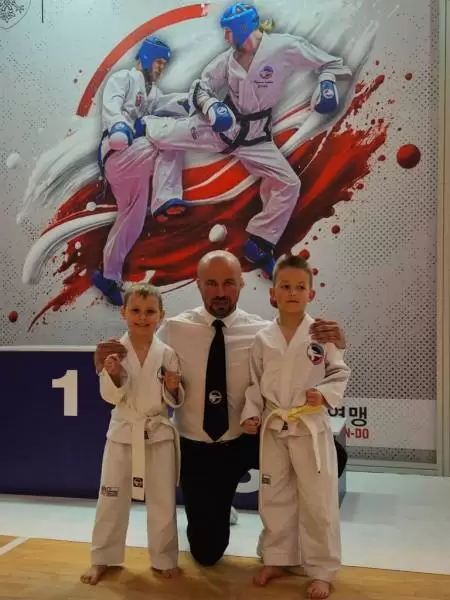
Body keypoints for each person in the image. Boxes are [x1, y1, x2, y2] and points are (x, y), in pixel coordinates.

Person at [94, 250, 347, 568]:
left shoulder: (260, 330)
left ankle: (290, 543)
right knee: (206, 554)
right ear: (198, 284)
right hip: (198, 448)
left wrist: (337, 341)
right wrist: (107, 363)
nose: (220, 291)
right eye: (211, 283)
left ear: (241, 284)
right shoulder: (173, 328)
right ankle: (219, 503)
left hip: (247, 438)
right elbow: (136, 349)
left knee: (333, 456)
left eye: (228, 283)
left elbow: (298, 349)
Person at [140, 3, 352, 278]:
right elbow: (200, 87)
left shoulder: (284, 47)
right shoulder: (227, 60)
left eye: (228, 31)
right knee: (162, 134)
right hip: (220, 128)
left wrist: (326, 82)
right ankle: (141, 124)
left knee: (288, 183)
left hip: (255, 138)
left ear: (242, 28)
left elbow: (330, 63)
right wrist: (212, 107)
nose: (225, 36)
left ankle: (260, 243)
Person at [241, 254, 350, 599]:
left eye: (299, 287)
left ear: (310, 294)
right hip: (275, 427)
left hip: (309, 426)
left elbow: (339, 372)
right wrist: (251, 413)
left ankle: (322, 569)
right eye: (285, 286)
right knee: (275, 496)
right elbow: (254, 384)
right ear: (272, 293)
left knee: (318, 500)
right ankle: (277, 558)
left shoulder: (321, 335)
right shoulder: (263, 338)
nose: (292, 292)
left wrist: (324, 393)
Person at [81, 283, 184, 585]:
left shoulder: (167, 353)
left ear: (161, 315)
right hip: (123, 433)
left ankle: (164, 558)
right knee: (110, 498)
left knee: (163, 500)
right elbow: (111, 397)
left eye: (150, 311)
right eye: (136, 311)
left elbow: (174, 400)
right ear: (123, 312)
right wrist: (112, 374)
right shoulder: (114, 352)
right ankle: (102, 557)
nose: (142, 317)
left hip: (158, 434)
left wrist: (173, 386)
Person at [92, 36, 190, 306]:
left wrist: (192, 100)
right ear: (145, 58)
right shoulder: (123, 78)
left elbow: (167, 103)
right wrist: (119, 125)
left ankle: (108, 276)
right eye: (158, 61)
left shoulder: (153, 93)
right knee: (172, 137)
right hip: (119, 152)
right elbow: (111, 104)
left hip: (133, 166)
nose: (161, 67)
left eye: (164, 64)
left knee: (131, 222)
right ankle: (165, 198)